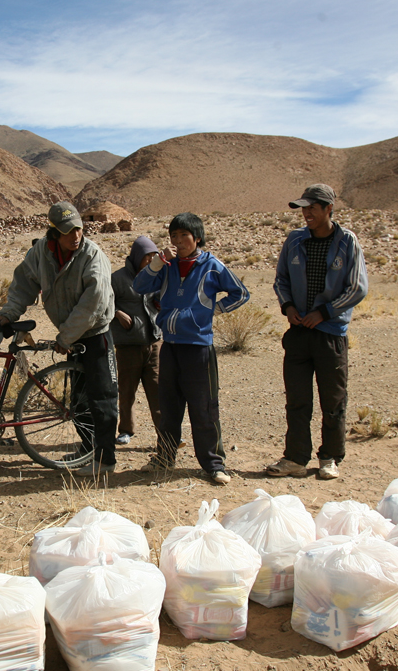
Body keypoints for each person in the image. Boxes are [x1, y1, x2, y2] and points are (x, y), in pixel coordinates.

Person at [0, 201, 118, 478]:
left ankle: (106, 460)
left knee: (103, 398)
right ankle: (88, 449)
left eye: (79, 230)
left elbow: (93, 303)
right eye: (68, 231)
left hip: (96, 335)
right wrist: (6, 316)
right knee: (79, 402)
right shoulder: (41, 253)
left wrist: (66, 337)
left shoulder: (93, 256)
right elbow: (23, 285)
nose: (75, 236)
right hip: (71, 336)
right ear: (54, 233)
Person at [133, 213, 249, 485]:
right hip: (170, 346)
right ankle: (164, 457)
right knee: (169, 408)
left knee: (204, 408)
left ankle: (213, 464)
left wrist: (213, 311)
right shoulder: (167, 265)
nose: (178, 241)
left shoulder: (211, 265)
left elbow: (240, 293)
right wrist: (159, 262)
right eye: (173, 236)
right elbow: (138, 286)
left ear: (197, 237)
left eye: (183, 235)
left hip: (198, 347)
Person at [267, 184, 367, 480]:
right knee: (297, 400)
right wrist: (288, 307)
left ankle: (329, 457)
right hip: (298, 333)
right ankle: (296, 458)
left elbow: (357, 287)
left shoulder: (347, 242)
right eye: (303, 208)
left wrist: (323, 313)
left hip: (330, 334)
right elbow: (281, 280)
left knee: (333, 400)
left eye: (312, 208)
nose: (306, 213)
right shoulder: (295, 240)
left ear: (329, 209)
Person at [111, 236, 163, 447]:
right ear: (136, 257)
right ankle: (126, 430)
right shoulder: (118, 278)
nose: (151, 260)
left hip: (154, 342)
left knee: (158, 389)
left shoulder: (156, 277)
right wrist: (117, 313)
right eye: (147, 256)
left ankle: (166, 433)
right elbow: (103, 299)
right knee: (127, 390)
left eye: (154, 256)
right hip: (128, 345)